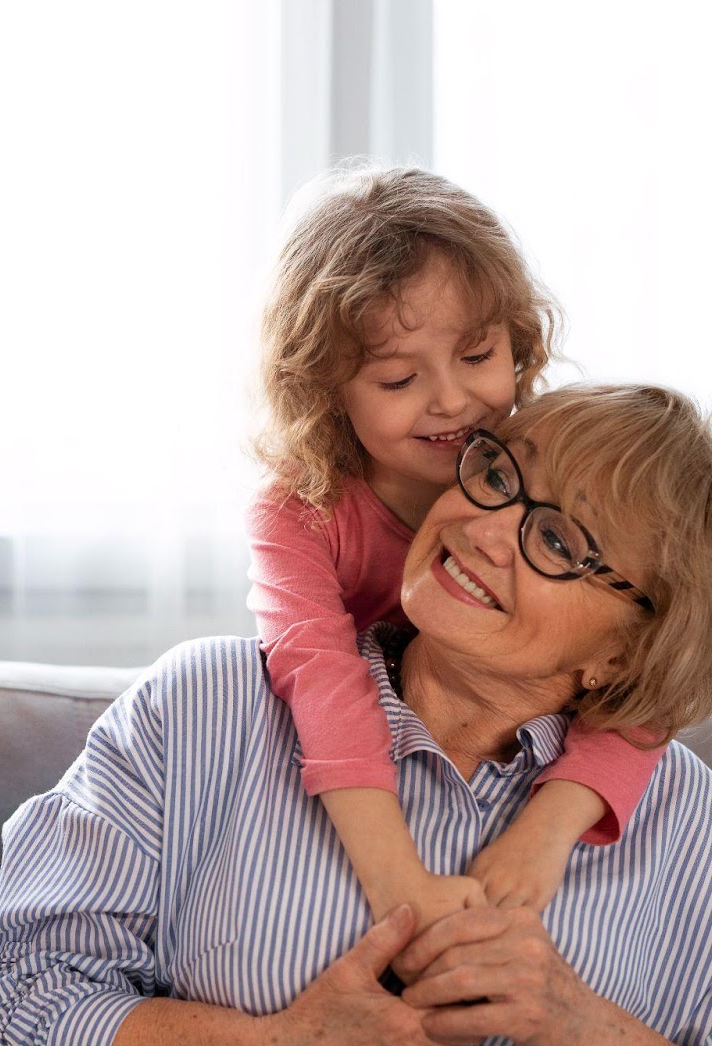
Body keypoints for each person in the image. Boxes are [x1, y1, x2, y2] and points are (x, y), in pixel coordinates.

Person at [0, 384, 712, 1046]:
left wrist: (577, 1026)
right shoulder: (201, 710)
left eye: (560, 541)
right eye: (498, 475)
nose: (484, 529)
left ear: (629, 651)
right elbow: (22, 996)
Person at [248, 164, 661, 924]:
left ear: (517, 339)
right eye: (399, 378)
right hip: (378, 766)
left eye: (477, 357)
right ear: (323, 390)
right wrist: (398, 883)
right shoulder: (300, 510)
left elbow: (654, 661)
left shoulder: (529, 463)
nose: (452, 400)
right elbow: (320, 677)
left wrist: (547, 829)